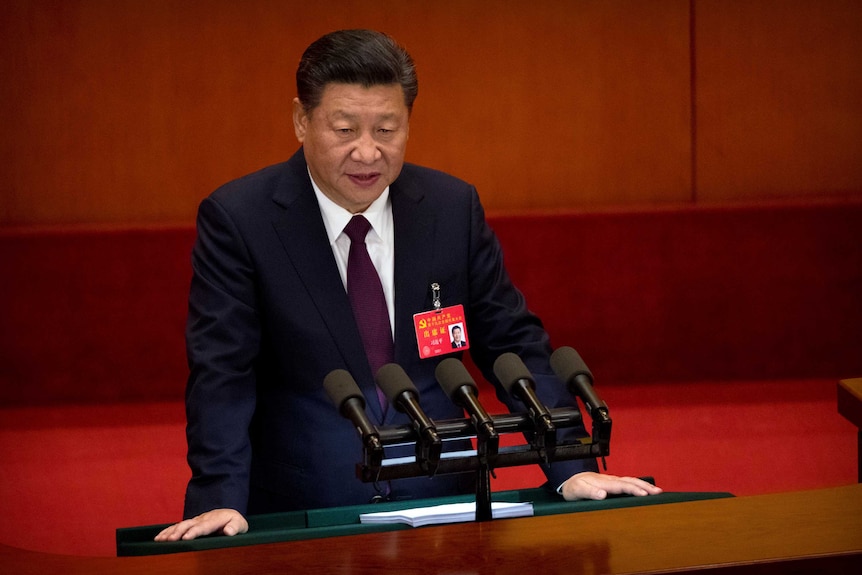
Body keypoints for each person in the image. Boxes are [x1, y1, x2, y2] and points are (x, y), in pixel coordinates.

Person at [156, 29, 660, 543]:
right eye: (346, 129)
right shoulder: (242, 219)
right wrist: (218, 496)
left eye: (387, 129)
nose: (368, 153)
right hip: (305, 512)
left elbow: (513, 342)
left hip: (449, 504)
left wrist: (571, 461)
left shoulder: (449, 209)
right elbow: (223, 371)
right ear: (301, 121)